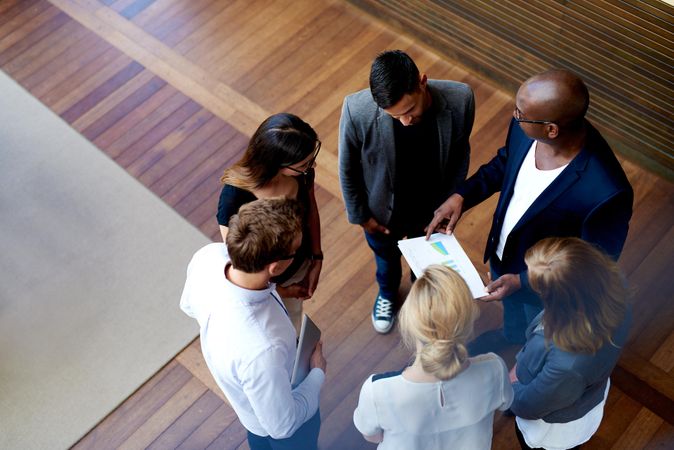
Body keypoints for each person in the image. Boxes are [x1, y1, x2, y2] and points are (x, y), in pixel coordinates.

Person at [426, 69, 633, 346]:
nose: (514, 115)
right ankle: (511, 336)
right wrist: (462, 196)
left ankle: (525, 354)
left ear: (551, 129)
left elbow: (593, 265)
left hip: (543, 289)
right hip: (504, 259)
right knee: (514, 317)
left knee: (537, 333)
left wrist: (523, 281)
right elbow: (505, 163)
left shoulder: (608, 192)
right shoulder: (528, 128)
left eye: (520, 113)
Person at [339, 50, 475, 333]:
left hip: (431, 210)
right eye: (394, 116)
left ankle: (420, 296)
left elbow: (461, 153)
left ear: (422, 82)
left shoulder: (461, 99)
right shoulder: (356, 110)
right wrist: (361, 216)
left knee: (425, 266)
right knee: (386, 263)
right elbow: (347, 168)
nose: (405, 121)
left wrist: (451, 199)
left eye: (410, 110)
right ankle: (387, 294)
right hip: (381, 214)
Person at [181, 197, 327, 450]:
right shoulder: (263, 349)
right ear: (275, 266)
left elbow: (188, 305)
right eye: (296, 251)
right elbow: (283, 427)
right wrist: (317, 373)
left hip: (254, 412)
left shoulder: (208, 256)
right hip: (287, 431)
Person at [353, 265, 513, 449]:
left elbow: (372, 436)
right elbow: (503, 405)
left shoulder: (378, 391)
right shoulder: (495, 369)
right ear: (468, 322)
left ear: (409, 323)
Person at [510, 237, 631, 449]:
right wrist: (517, 281)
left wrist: (509, 386)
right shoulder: (612, 284)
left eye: (539, 288)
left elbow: (529, 406)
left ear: (561, 301)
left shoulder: (568, 364)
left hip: (553, 425)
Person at [217, 113, 323, 333]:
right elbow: (243, 264)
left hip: (297, 268)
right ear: (275, 163)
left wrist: (316, 258)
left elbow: (310, 210)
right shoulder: (234, 197)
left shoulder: (302, 174)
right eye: (303, 163)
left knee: (292, 322)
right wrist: (283, 291)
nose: (310, 166)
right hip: (264, 286)